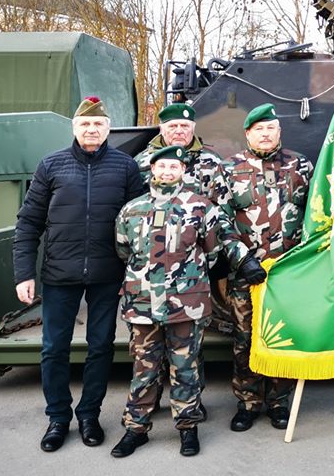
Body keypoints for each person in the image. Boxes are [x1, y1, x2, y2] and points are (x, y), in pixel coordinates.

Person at [12, 96, 146, 452]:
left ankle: (89, 415)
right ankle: (58, 417)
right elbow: (28, 222)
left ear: (107, 129)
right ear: (75, 128)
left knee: (100, 347)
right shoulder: (51, 166)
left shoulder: (125, 167)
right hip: (60, 273)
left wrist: (132, 275)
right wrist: (24, 273)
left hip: (107, 274)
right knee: (54, 348)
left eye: (99, 124)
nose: (92, 129)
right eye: (85, 124)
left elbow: (139, 224)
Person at [110, 145, 240, 458]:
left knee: (186, 366)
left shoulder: (200, 207)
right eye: (162, 167)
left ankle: (188, 428)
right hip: (142, 302)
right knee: (144, 367)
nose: (168, 172)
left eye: (174, 167)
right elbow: (123, 250)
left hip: (186, 302)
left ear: (183, 171)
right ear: (152, 169)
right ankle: (136, 428)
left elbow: (211, 251)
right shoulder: (132, 209)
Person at [219, 103, 314, 431]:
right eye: (258, 129)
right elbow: (219, 219)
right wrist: (242, 259)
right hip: (246, 271)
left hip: (288, 273)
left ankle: (278, 401)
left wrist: (305, 260)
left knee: (282, 336)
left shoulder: (301, 165)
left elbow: (316, 213)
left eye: (270, 128)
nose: (265, 134)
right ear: (248, 133)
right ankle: (248, 401)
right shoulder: (229, 169)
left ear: (279, 132)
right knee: (245, 338)